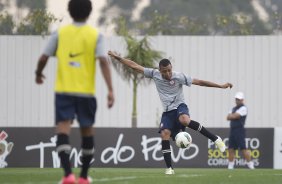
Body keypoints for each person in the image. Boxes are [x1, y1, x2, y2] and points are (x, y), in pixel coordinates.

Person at [108, 51, 232, 174]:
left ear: (171, 68)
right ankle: (169, 168)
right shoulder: (154, 74)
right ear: (159, 70)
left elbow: (199, 82)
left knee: (184, 120)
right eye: (164, 71)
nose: (168, 73)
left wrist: (220, 86)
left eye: (169, 70)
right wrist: (118, 58)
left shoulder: (178, 76)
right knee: (165, 133)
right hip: (167, 112)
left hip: (180, 107)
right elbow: (134, 66)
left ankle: (215, 139)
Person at [35, 0, 114, 183]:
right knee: (87, 131)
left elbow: (43, 57)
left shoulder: (60, 33)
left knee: (63, 130)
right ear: (89, 12)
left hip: (64, 91)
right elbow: (103, 61)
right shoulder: (95, 35)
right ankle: (84, 177)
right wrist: (110, 89)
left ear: (69, 11)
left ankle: (68, 175)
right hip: (86, 92)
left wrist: (38, 73)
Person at [226, 92, 254, 169]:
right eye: (236, 99)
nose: (237, 101)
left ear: (242, 100)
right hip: (232, 130)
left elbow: (235, 116)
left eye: (239, 99)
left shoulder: (244, 108)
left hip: (240, 130)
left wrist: (232, 115)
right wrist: (232, 116)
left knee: (243, 148)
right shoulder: (233, 108)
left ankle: (250, 165)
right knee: (231, 148)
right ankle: (230, 166)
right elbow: (228, 117)